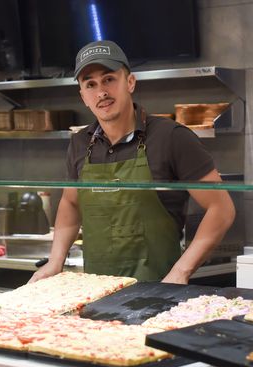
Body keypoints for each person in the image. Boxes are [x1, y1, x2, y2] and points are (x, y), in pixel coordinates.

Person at [29, 40, 235, 284]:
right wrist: (55, 262)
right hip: (96, 292)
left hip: (157, 290)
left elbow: (221, 209)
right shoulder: (79, 143)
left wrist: (180, 272)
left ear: (130, 82)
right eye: (90, 84)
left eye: (109, 79)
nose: (101, 92)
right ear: (83, 96)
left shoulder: (171, 137)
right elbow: (71, 204)